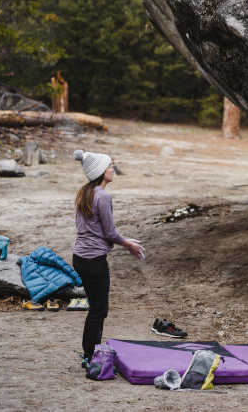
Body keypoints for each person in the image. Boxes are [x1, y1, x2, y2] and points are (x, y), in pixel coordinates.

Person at [72, 149, 156, 368]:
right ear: (101, 171)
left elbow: (97, 230)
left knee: (95, 307)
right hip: (94, 260)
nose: (112, 170)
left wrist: (122, 240)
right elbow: (109, 232)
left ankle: (88, 353)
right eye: (109, 166)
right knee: (99, 309)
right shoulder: (102, 195)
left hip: (80, 257)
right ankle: (90, 356)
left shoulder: (84, 192)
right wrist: (128, 244)